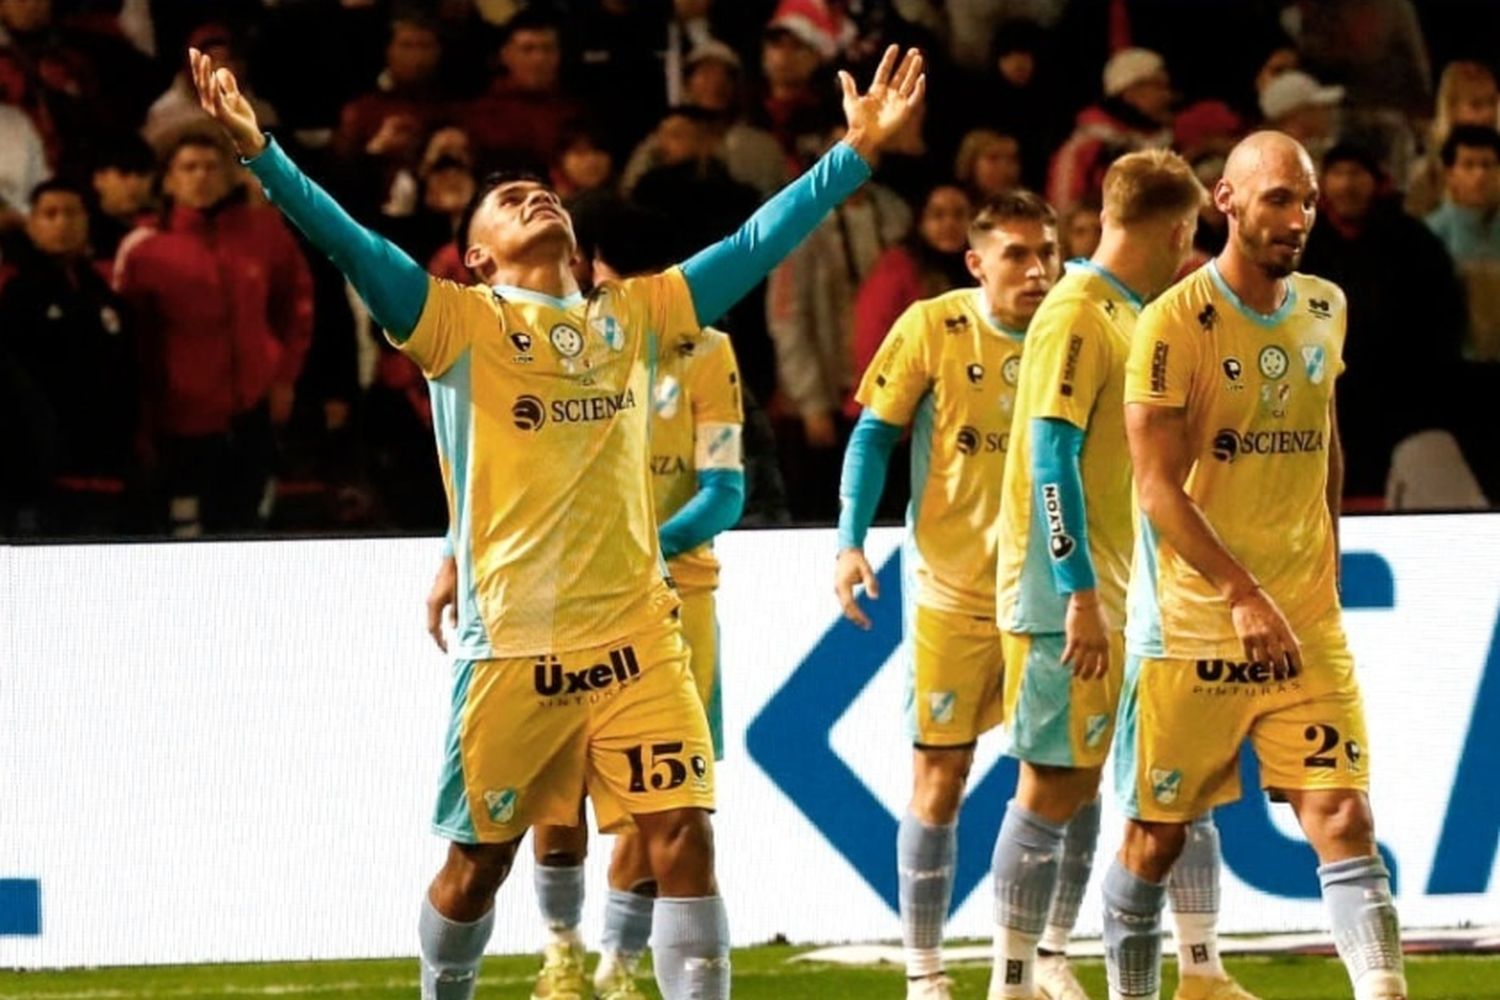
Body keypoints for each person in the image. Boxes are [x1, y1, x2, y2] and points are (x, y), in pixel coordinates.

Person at [186, 40, 925, 1000]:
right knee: (477, 868)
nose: (537, 196)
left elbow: (752, 246)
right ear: (479, 254)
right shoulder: (457, 323)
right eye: (507, 200)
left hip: (636, 635)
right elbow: (348, 240)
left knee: (684, 836)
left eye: (545, 191)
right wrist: (261, 154)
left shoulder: (634, 316)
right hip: (513, 651)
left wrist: (854, 155)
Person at [1106, 131, 1406, 1000]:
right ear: (1224, 202)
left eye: (1306, 200)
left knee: (1344, 814)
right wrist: (1241, 593)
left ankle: (1382, 991)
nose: (1298, 218)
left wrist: (1330, 554)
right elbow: (1159, 490)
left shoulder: (1325, 305)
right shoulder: (1171, 323)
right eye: (1278, 198)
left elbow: (1326, 441)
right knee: (1155, 839)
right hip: (1197, 627)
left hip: (1303, 623)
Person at [429, 200, 747, 1000]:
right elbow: (511, 470)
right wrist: (451, 551)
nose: (607, 284)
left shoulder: (707, 355)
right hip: (538, 614)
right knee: (551, 806)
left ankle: (617, 964)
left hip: (673, 602)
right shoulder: (548, 340)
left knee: (672, 814)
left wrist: (642, 545)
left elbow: (726, 486)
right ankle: (562, 950)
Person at [991, 150, 1253, 1000]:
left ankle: (1200, 971)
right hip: (1067, 596)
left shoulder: (1135, 312)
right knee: (1054, 784)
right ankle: (1011, 979)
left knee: (1172, 780)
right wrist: (1076, 596)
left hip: (1133, 594)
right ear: (1181, 231)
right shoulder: (1076, 312)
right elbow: (1050, 455)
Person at [833, 190, 1060, 1000]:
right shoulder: (934, 326)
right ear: (976, 262)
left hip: (1053, 598)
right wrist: (851, 541)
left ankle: (1041, 960)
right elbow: (873, 434)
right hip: (952, 593)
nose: (1038, 271)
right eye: (1017, 256)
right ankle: (924, 971)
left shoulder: (1078, 329)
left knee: (1065, 775)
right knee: (941, 775)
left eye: (1049, 253)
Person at [115, 128, 313, 537]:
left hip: (251, 414)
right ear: (168, 179)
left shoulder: (265, 235)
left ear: (229, 175)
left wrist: (283, 379)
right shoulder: (145, 249)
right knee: (185, 537)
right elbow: (131, 347)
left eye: (211, 166)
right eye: (188, 168)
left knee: (248, 532)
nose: (201, 176)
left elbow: (295, 307)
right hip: (180, 423)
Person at [0, 177, 134, 534]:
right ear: (31, 223)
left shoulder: (103, 293)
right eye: (50, 214)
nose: (61, 223)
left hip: (104, 465)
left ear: (88, 221)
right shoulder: (13, 293)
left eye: (71, 213)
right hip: (35, 473)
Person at [1048, 48, 1174, 214]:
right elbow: (1065, 213)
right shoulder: (1087, 148)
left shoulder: (1168, 143)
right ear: (1130, 92)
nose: (1167, 96)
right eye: (1158, 87)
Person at [1425, 125, 1500, 361]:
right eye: (1468, 165)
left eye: (1488, 165)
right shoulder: (1430, 234)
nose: (1479, 175)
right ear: (1450, 173)